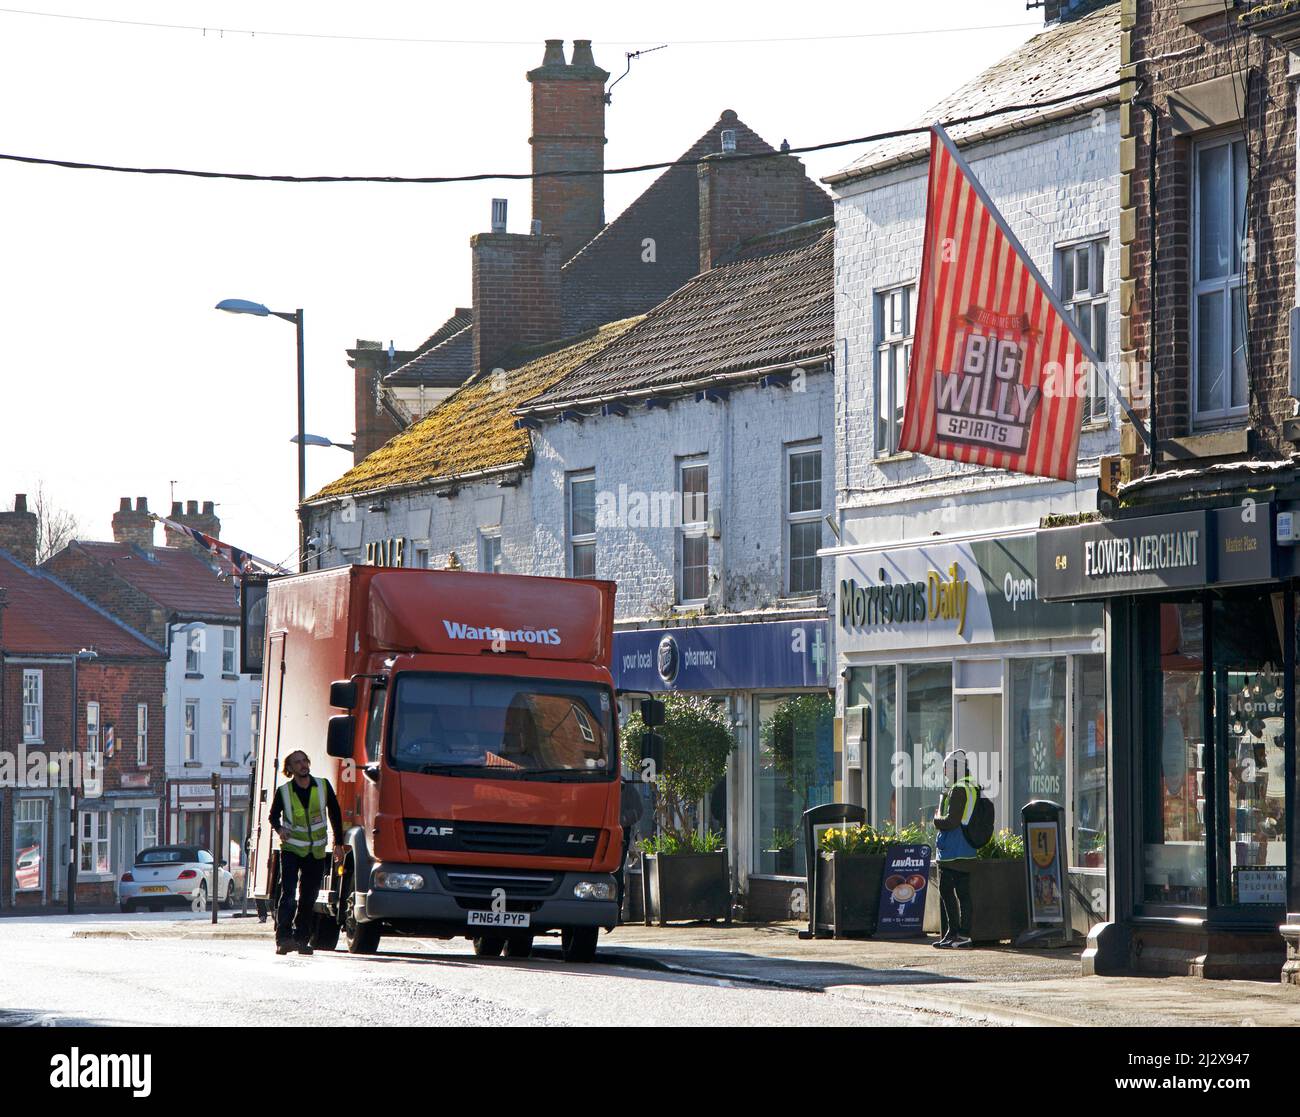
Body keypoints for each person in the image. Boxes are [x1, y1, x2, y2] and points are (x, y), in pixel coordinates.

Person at [269, 750, 345, 955]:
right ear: (290, 768)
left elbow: (335, 813)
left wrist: (338, 844)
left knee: (308, 898)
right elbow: (273, 816)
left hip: (316, 851)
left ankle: (302, 939)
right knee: (288, 895)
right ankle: (283, 939)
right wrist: (280, 828)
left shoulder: (322, 785)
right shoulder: (284, 791)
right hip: (292, 849)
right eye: (297, 762)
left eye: (304, 761)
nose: (303, 765)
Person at [932, 750, 980, 949]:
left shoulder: (959, 789)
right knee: (963, 892)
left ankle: (955, 933)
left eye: (946, 767)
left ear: (954, 768)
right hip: (966, 848)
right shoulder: (971, 785)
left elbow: (952, 820)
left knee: (946, 890)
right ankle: (962, 935)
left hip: (954, 851)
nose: (943, 771)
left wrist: (936, 819)